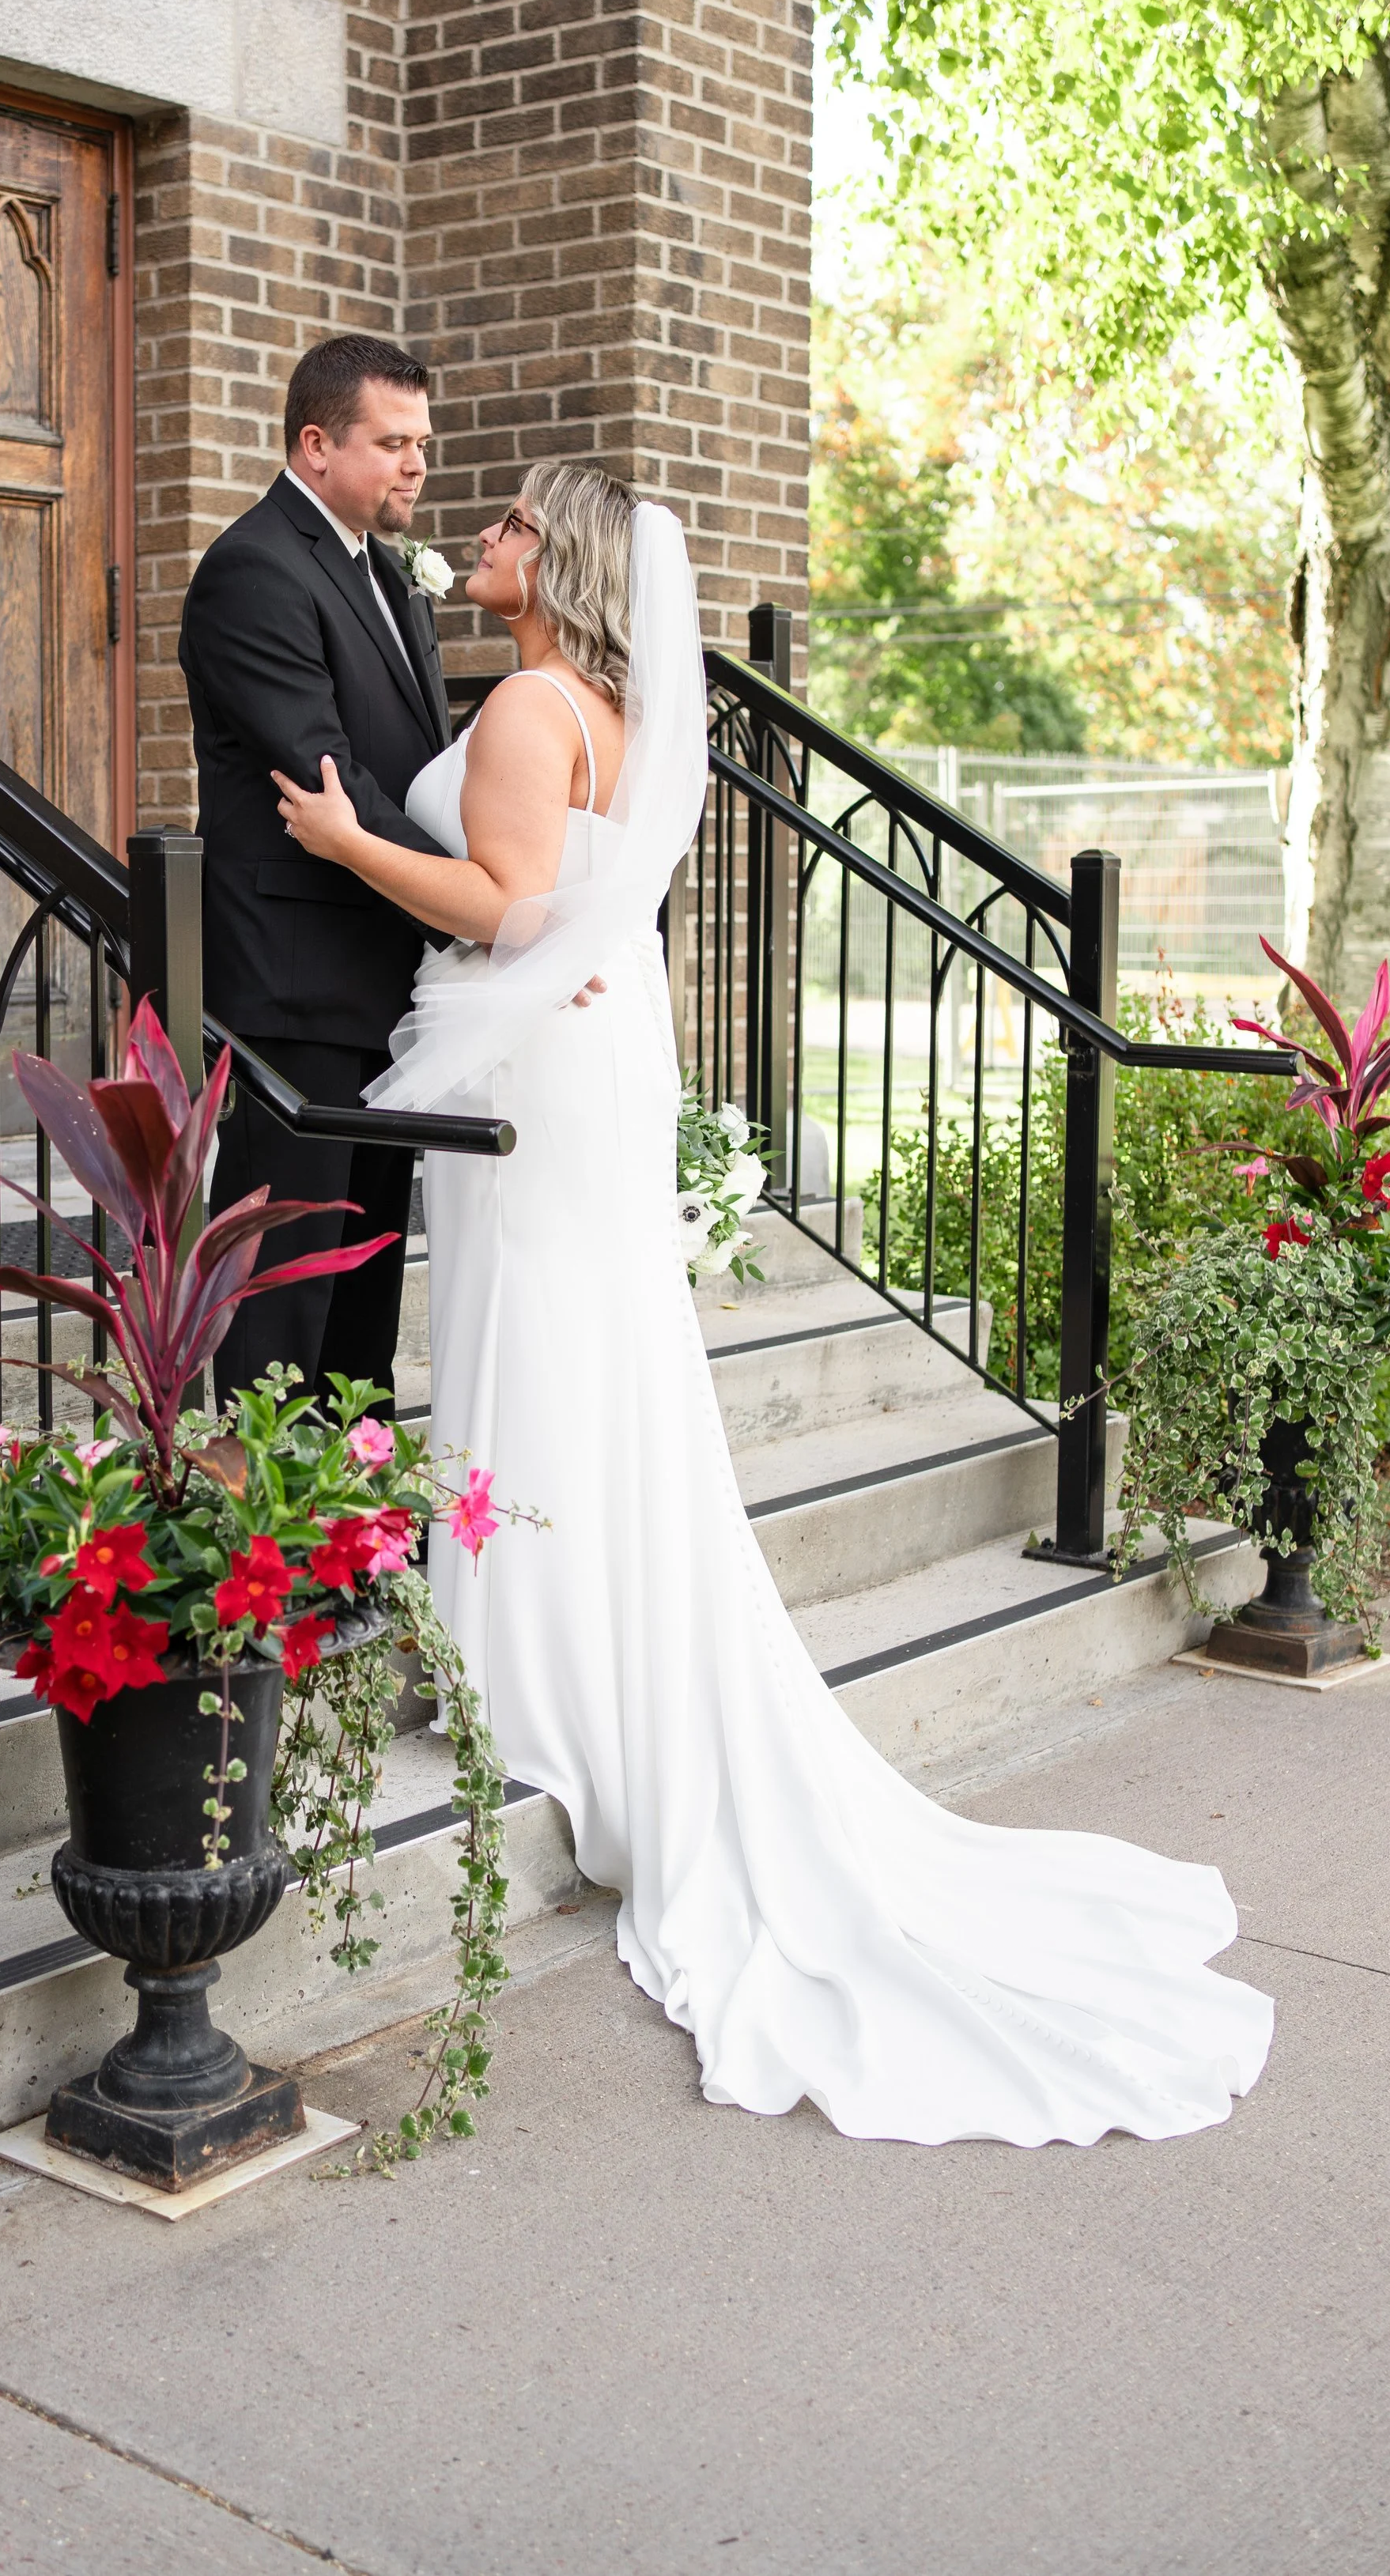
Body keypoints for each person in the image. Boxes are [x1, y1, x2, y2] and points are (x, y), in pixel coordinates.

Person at [270, 458, 1275, 2148]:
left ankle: (540, 1691)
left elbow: (515, 907)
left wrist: (349, 839)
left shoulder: (527, 703)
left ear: (559, 563)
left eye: (513, 524)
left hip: (541, 1061)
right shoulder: (603, 703)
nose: (487, 539)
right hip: (590, 1056)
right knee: (585, 1358)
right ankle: (550, 1663)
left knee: (543, 1348)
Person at [177, 334, 452, 1412]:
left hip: (382, 987)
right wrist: (484, 901)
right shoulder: (255, 569)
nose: (416, 465)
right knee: (283, 1309)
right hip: (295, 995)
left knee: (364, 1306)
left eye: (422, 443)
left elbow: (411, 768)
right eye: (392, 443)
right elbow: (326, 773)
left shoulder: (383, 570)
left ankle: (354, 1546)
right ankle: (266, 1551)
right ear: (315, 443)